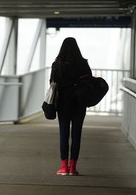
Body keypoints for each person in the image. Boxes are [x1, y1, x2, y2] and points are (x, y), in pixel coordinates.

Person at [50, 37, 92, 176]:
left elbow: (52, 82)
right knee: (76, 134)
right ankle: (73, 167)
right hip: (79, 103)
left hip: (63, 103)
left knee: (64, 133)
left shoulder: (57, 64)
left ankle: (64, 167)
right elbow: (90, 81)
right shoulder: (83, 63)